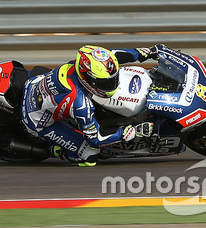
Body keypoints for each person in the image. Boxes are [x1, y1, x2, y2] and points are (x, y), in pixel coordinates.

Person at [19, 44, 161, 166]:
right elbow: (96, 139)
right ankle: (56, 150)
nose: (111, 85)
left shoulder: (88, 61)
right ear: (87, 78)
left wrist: (147, 52)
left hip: (35, 83)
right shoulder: (80, 104)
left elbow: (116, 55)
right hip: (36, 118)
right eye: (104, 83)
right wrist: (129, 132)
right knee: (90, 155)